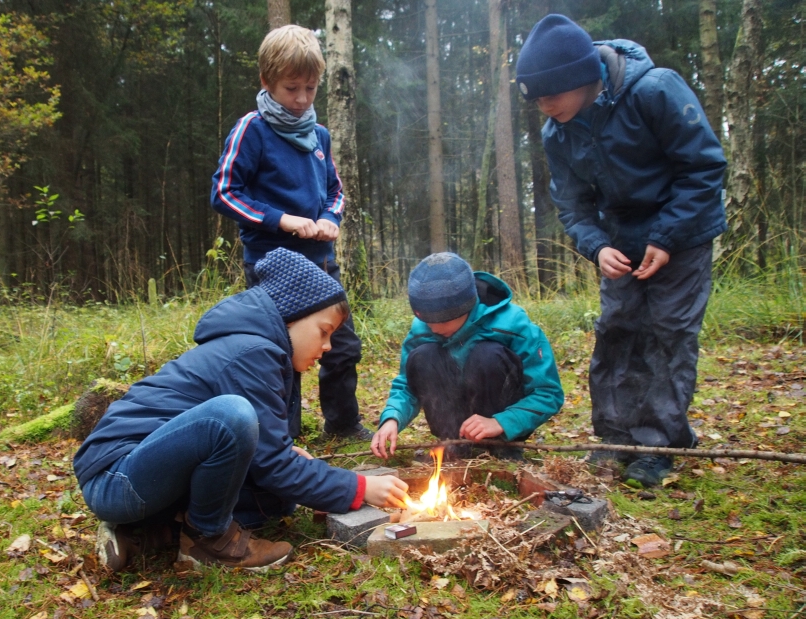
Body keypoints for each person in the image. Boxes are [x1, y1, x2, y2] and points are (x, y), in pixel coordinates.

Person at [74, 248, 409, 573]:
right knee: (232, 416)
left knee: (274, 500)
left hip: (141, 476)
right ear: (291, 315)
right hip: (117, 475)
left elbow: (266, 458)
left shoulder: (261, 350)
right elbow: (272, 464)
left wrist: (295, 464)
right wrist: (358, 488)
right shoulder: (254, 352)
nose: (327, 347)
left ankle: (145, 534)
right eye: (324, 332)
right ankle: (209, 541)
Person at [515, 15, 727, 487]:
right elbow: (571, 203)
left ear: (583, 78)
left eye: (551, 94)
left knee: (667, 332)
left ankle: (658, 445)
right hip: (622, 243)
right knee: (618, 330)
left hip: (684, 234)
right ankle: (614, 439)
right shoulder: (559, 131)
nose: (545, 107)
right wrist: (596, 247)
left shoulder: (654, 91)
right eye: (536, 100)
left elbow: (704, 169)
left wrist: (668, 237)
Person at [210, 24, 370, 442]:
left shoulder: (319, 137)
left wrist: (329, 218)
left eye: (310, 89)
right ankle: (283, 439)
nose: (301, 100)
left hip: (321, 263)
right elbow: (225, 192)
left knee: (343, 347)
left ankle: (342, 425)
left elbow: (334, 192)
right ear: (267, 82)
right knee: (282, 355)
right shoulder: (252, 130)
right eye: (291, 88)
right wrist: (282, 220)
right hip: (272, 269)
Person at [370, 253, 564, 462]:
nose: (433, 327)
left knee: (487, 356)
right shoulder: (421, 330)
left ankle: (501, 449)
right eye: (426, 320)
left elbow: (547, 393)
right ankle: (454, 446)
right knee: (423, 356)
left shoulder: (513, 325)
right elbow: (407, 385)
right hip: (453, 430)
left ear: (466, 307)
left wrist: (501, 422)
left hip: (501, 423)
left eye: (441, 320)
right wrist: (392, 418)